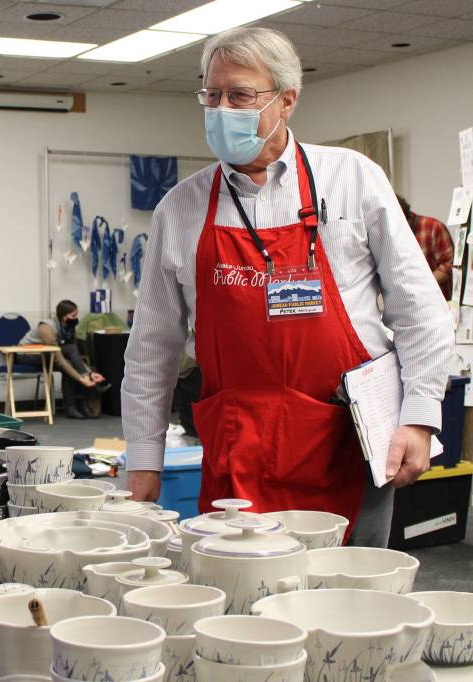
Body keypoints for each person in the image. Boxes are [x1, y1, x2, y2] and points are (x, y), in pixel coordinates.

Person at [121, 27, 452, 548]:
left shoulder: (352, 180)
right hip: (237, 450)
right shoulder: (180, 209)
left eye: (240, 95)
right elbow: (150, 351)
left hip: (346, 443)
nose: (221, 109)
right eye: (212, 95)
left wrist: (419, 417)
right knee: (248, 611)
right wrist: (143, 458)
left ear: (286, 101)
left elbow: (421, 311)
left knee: (351, 606)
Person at [20, 300, 109, 419]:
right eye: (73, 315)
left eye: (76, 315)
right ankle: (89, 391)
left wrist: (90, 373)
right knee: (67, 363)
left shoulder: (69, 327)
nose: (76, 318)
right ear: (63, 316)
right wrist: (81, 378)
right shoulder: (46, 328)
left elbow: (75, 355)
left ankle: (73, 407)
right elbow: (59, 359)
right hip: (27, 355)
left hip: (47, 354)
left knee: (71, 355)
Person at [397, 195, 453, 300]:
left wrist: (421, 286)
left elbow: (449, 266)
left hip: (438, 304)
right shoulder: (391, 235)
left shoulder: (433, 227)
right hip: (407, 306)